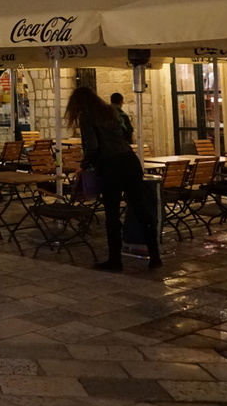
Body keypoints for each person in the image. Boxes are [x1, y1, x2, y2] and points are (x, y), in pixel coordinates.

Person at [66, 86, 161, 272]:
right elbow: (124, 135)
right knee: (140, 209)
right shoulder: (111, 111)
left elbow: (93, 146)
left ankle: (115, 261)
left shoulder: (87, 116)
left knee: (112, 215)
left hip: (111, 166)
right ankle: (155, 256)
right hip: (130, 161)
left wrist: (83, 165)